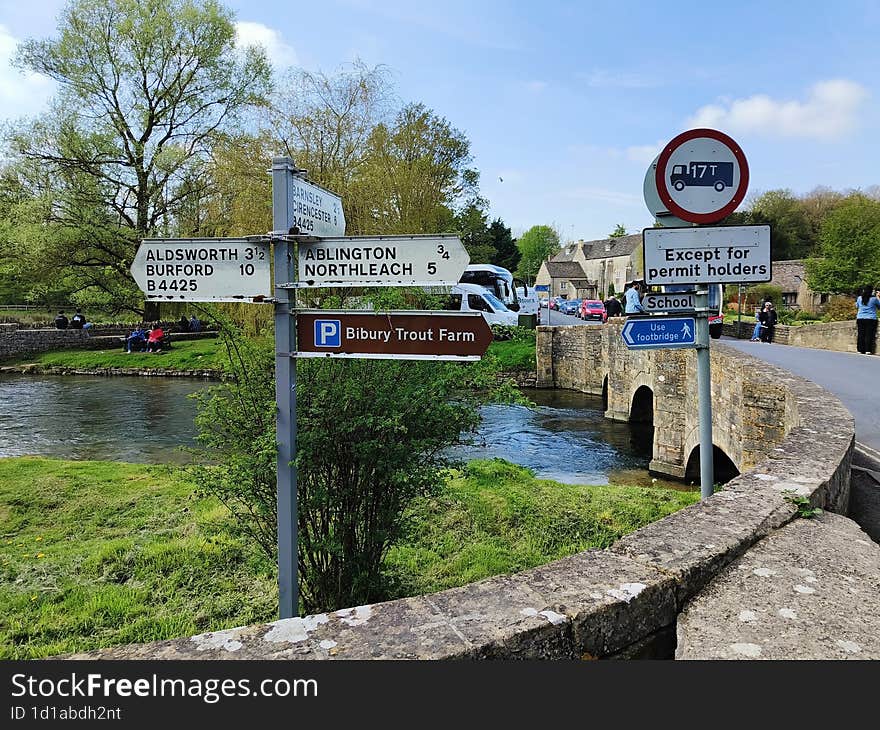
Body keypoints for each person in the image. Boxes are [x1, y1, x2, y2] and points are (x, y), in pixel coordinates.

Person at [855, 285, 880, 354]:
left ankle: (860, 349)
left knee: (861, 334)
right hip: (871, 318)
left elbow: (856, 306)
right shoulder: (874, 299)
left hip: (860, 318)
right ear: (871, 291)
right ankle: (868, 350)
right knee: (869, 334)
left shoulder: (859, 298)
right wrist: (878, 297)